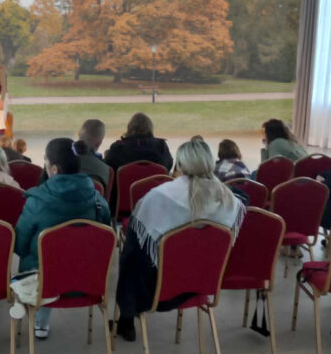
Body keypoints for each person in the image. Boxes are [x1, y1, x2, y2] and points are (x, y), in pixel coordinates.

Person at [114, 139, 246, 341]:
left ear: (180, 166)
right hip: (204, 282)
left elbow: (135, 248)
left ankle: (127, 317)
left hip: (158, 289)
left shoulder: (157, 198)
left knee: (130, 256)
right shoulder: (230, 200)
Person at [14, 138, 112, 339]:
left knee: (41, 260)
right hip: (88, 282)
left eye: (46, 161)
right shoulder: (99, 201)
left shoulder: (36, 202)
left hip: (44, 284)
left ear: (54, 169)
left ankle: (39, 322)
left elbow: (19, 246)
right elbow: (106, 240)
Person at [105, 112, 173, 171]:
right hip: (156, 182)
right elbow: (168, 165)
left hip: (126, 182)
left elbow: (109, 168)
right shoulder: (161, 146)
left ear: (129, 127)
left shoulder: (118, 147)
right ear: (150, 127)